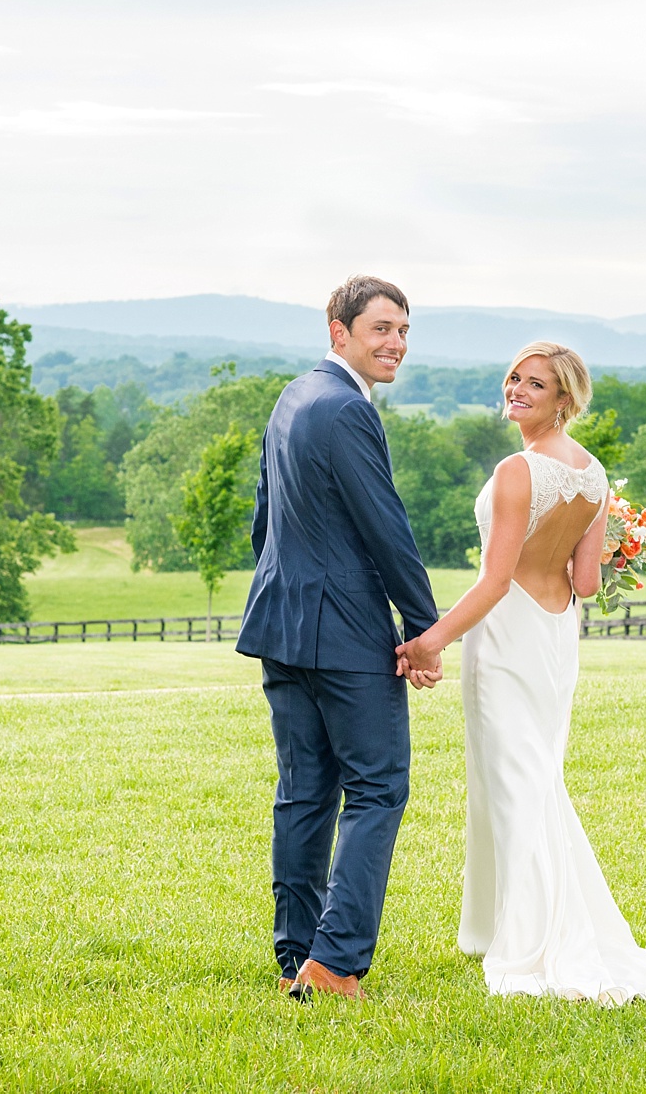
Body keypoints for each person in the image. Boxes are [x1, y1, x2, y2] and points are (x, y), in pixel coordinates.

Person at [395, 341, 646, 1004]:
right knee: (534, 779)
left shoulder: (516, 472)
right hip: (556, 637)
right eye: (514, 378)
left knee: (516, 784)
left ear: (565, 399)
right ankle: (515, 923)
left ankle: (533, 940)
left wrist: (430, 641)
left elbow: (495, 581)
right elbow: (585, 582)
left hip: (507, 639)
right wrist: (613, 547)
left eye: (536, 384)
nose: (518, 390)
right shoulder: (593, 474)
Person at [236, 275, 443, 1001]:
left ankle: (296, 953)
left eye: (404, 331)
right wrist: (424, 630)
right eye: (382, 328)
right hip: (347, 635)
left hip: (281, 624)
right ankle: (335, 963)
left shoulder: (293, 397)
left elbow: (264, 518)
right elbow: (387, 529)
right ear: (340, 331)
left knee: (303, 793)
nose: (396, 343)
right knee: (378, 789)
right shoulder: (349, 410)